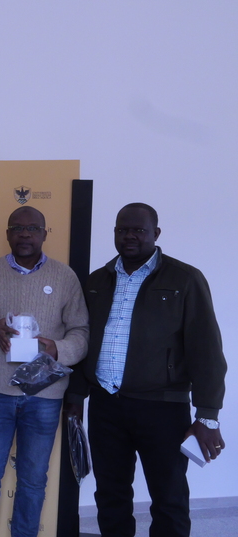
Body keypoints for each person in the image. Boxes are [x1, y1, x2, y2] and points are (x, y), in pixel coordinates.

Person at [66, 202, 226, 537]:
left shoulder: (185, 279)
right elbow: (83, 341)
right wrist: (77, 397)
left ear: (156, 233)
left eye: (139, 230)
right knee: (110, 494)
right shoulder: (97, 281)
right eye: (122, 230)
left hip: (163, 408)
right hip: (106, 405)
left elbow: (207, 350)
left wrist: (208, 415)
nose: (130, 236)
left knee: (169, 498)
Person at [0, 206, 88, 537]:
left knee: (33, 481)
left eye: (33, 228)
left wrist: (58, 349)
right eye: (17, 228)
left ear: (45, 233)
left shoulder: (65, 277)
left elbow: (81, 332)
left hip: (44, 396)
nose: (25, 234)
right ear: (7, 234)